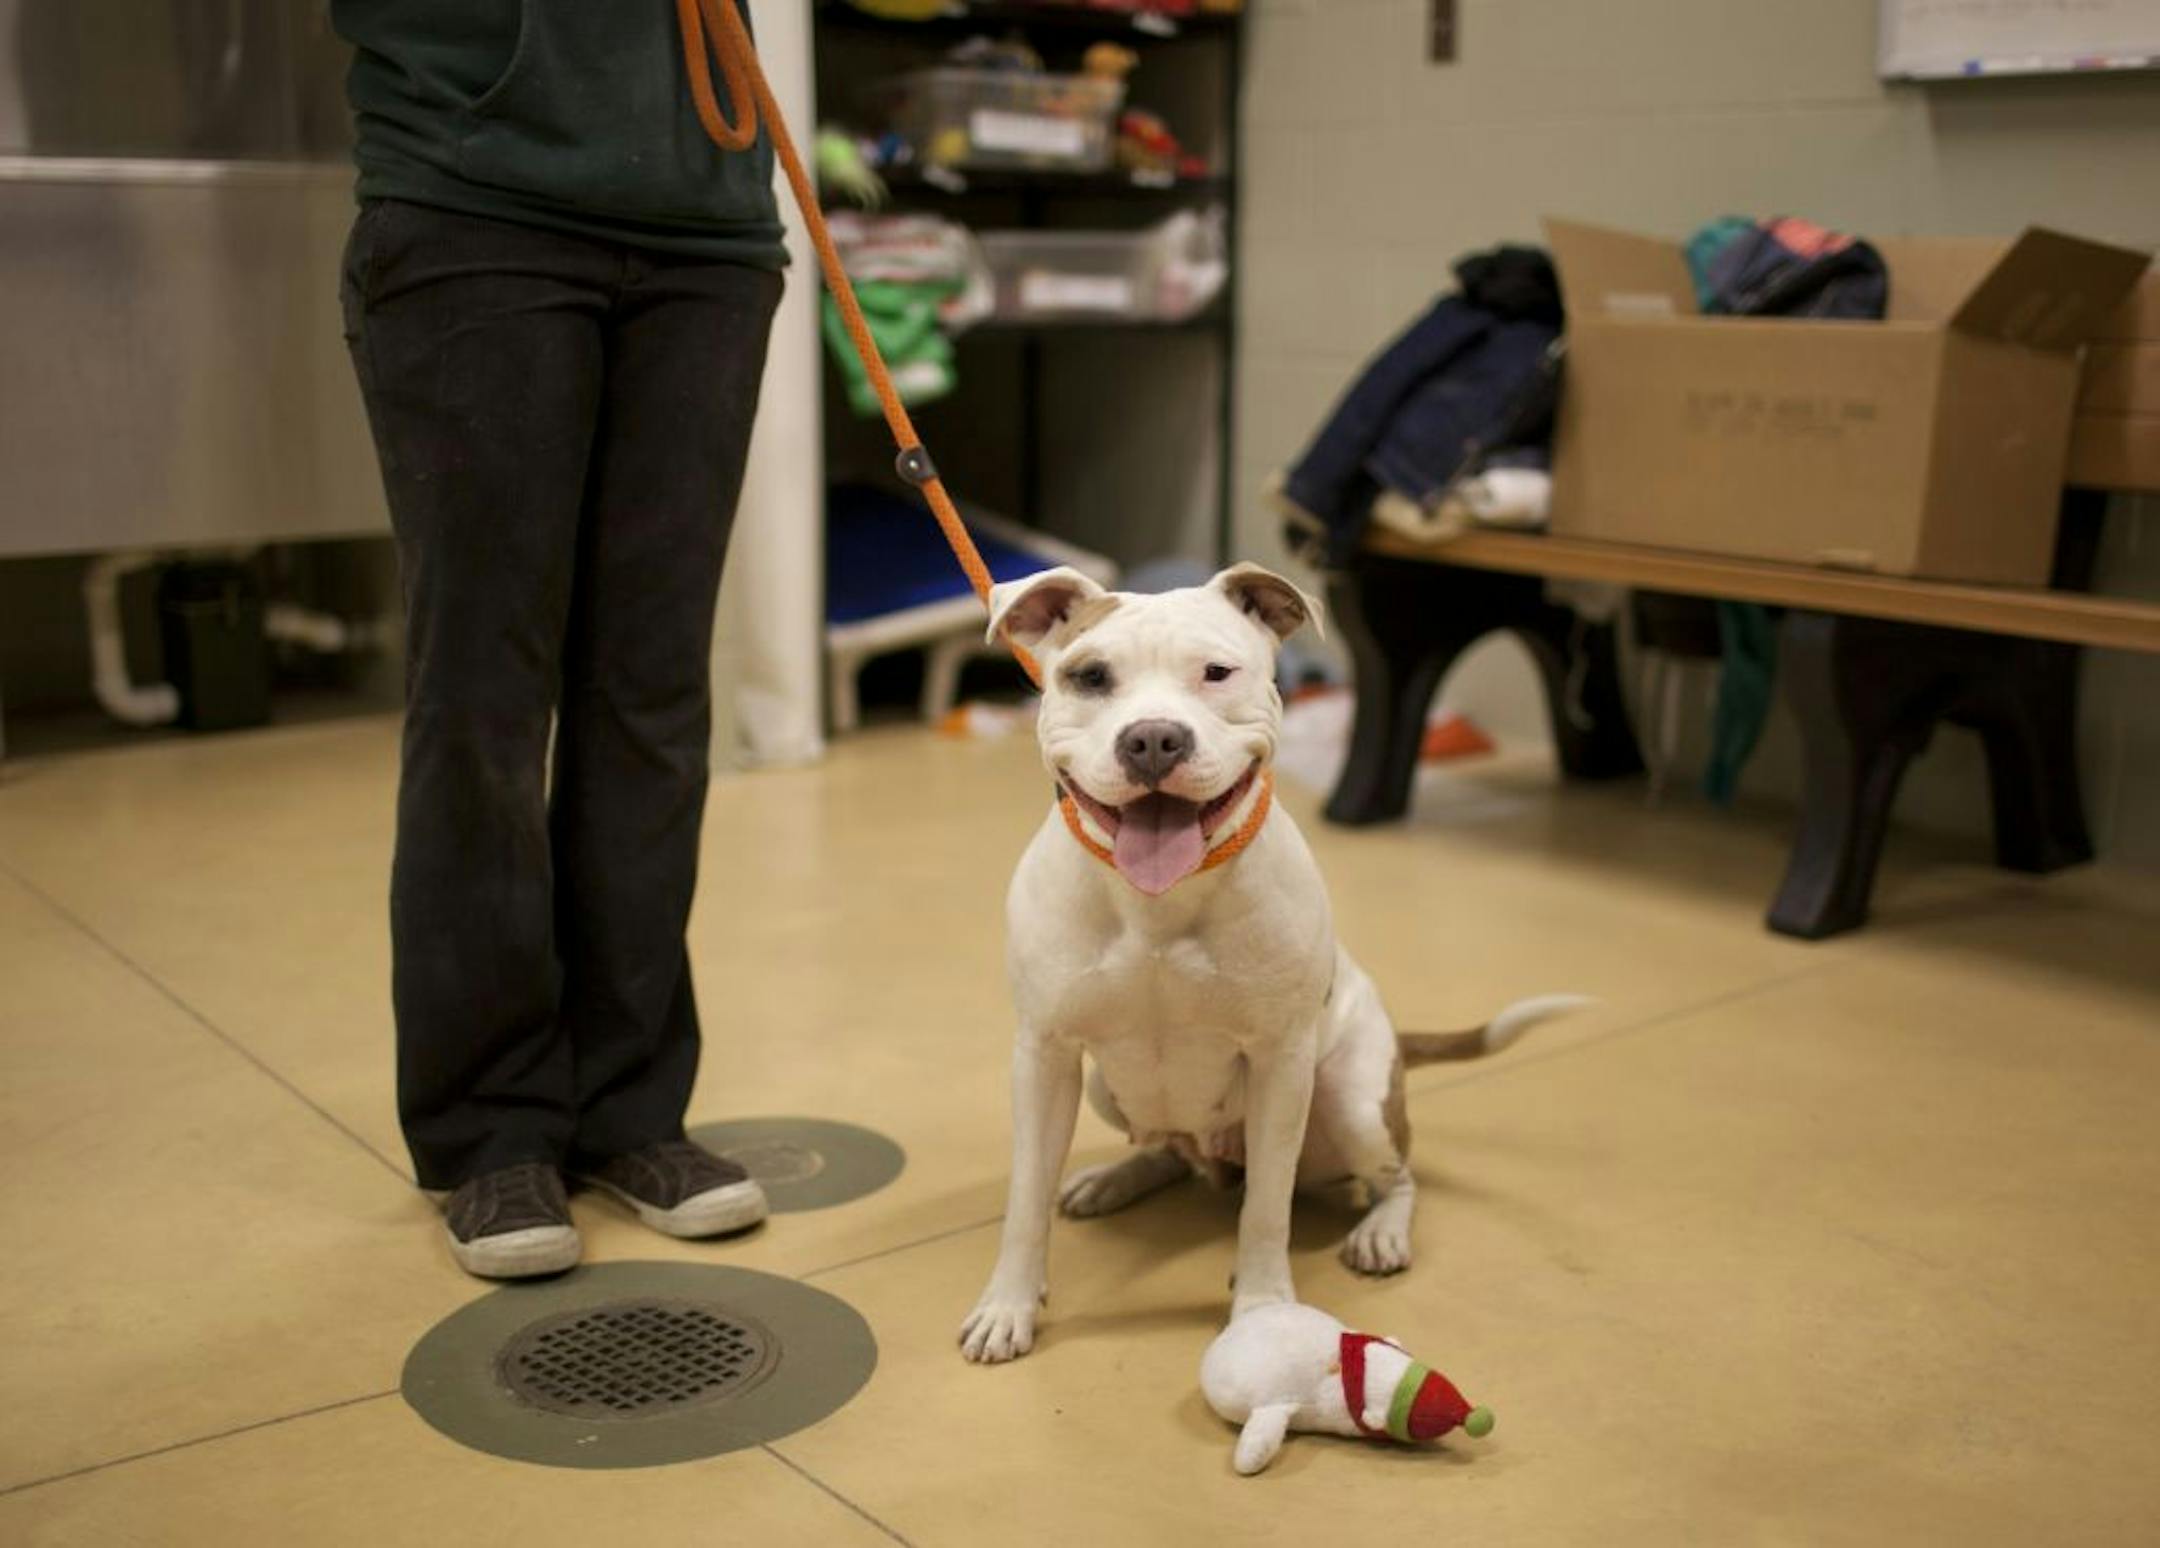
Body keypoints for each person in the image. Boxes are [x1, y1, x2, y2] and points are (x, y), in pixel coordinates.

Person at [334, 0, 785, 1278]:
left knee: (649, 696)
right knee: (482, 698)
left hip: (710, 232)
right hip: (479, 204)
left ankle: (632, 1110)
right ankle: (489, 1131)